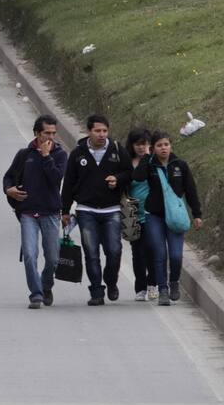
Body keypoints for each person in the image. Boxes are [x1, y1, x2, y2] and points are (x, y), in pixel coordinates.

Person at [60, 113, 131, 305]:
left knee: (114, 250)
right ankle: (97, 291)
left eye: (105, 131)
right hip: (86, 210)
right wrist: (65, 211)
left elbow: (129, 173)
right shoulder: (78, 153)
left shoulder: (117, 150)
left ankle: (111, 281)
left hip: (112, 210)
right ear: (89, 132)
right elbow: (68, 183)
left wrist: (118, 179)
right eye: (97, 131)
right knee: (91, 252)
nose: (102, 134)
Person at [131, 131, 203, 305]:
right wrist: (147, 158)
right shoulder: (149, 164)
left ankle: (174, 282)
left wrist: (197, 214)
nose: (163, 148)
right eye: (159, 145)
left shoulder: (180, 165)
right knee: (159, 253)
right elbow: (137, 176)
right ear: (153, 148)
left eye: (166, 144)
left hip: (175, 218)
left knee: (176, 255)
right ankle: (163, 289)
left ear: (171, 145)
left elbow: (191, 190)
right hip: (153, 216)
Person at [4, 116, 67, 309]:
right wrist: (9, 189)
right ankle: (36, 293)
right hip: (28, 213)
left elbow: (56, 178)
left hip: (50, 213)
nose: (51, 137)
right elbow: (8, 177)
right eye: (46, 133)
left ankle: (46, 285)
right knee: (30, 255)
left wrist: (47, 156)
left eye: (53, 133)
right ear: (37, 133)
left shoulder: (59, 155)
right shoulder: (25, 154)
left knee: (53, 258)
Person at [124, 128, 156, 301]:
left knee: (152, 250)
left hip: (152, 214)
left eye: (145, 144)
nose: (142, 148)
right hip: (133, 214)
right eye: (138, 144)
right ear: (132, 145)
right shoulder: (127, 162)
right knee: (138, 252)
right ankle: (140, 288)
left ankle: (153, 285)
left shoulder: (154, 161)